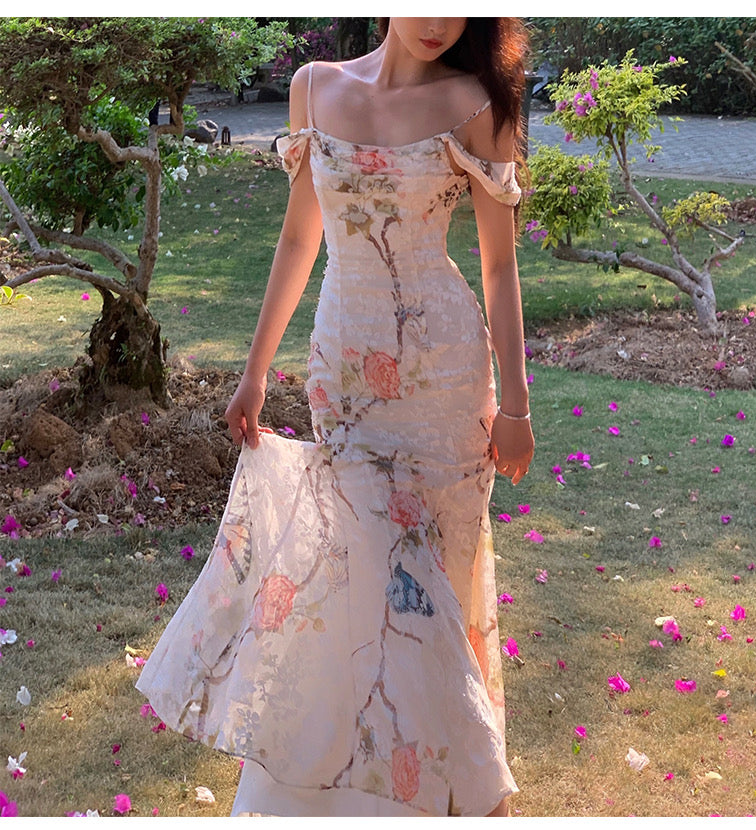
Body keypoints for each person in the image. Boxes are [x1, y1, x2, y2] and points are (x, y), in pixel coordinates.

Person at [136, 17, 534, 817]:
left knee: (431, 600)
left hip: (444, 388)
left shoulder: (477, 102)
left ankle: (452, 796)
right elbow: (297, 239)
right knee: (357, 586)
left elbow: (498, 264)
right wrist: (254, 373)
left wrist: (517, 403)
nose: (438, 22)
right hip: (345, 382)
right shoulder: (314, 88)